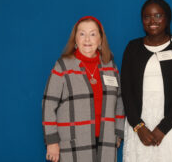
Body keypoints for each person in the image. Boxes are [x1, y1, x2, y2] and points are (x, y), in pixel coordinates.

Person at [121, 0, 172, 162]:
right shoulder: (132, 48)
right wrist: (138, 126)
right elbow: (126, 91)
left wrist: (163, 128)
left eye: (158, 15)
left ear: (168, 18)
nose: (152, 21)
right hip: (141, 126)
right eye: (147, 16)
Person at [42, 16, 125, 162]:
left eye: (93, 34)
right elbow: (48, 105)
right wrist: (52, 141)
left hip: (106, 142)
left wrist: (118, 133)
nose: (87, 39)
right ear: (75, 40)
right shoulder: (63, 66)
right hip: (73, 142)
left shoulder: (110, 66)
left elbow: (119, 101)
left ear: (100, 40)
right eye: (82, 34)